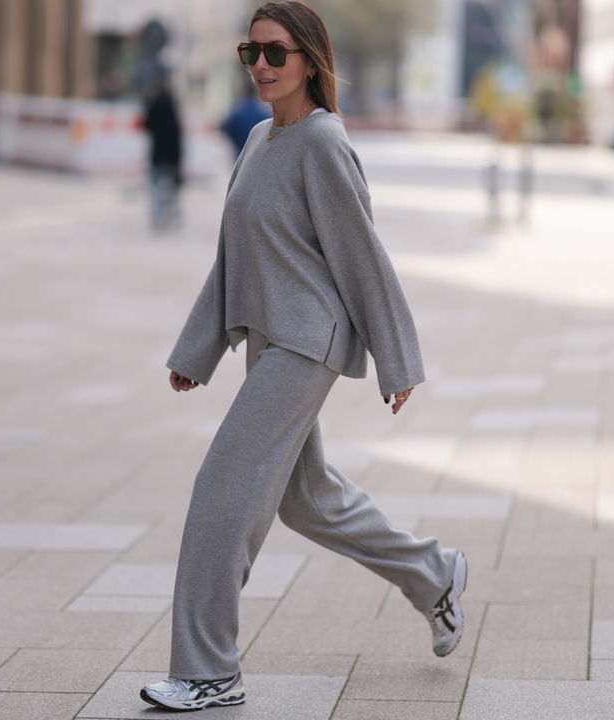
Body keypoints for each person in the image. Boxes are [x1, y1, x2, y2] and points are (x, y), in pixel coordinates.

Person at [139, 1, 467, 712]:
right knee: (309, 500)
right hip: (267, 342)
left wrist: (397, 361)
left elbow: (363, 255)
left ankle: (208, 670)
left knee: (222, 488)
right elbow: (234, 256)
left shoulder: (322, 143)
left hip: (304, 343)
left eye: (275, 53)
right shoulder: (260, 139)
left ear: (311, 62)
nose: (260, 66)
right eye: (250, 53)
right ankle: (434, 574)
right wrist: (199, 350)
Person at [143, 72, 182, 233]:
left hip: (157, 153)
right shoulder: (172, 107)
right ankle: (171, 217)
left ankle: (157, 217)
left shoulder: (154, 106)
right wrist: (179, 156)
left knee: (156, 188)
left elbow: (147, 125)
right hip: (171, 155)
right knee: (171, 189)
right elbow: (176, 134)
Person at [221, 83, 270, 158]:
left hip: (239, 152)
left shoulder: (237, 113)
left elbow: (227, 130)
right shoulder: (262, 114)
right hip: (257, 155)